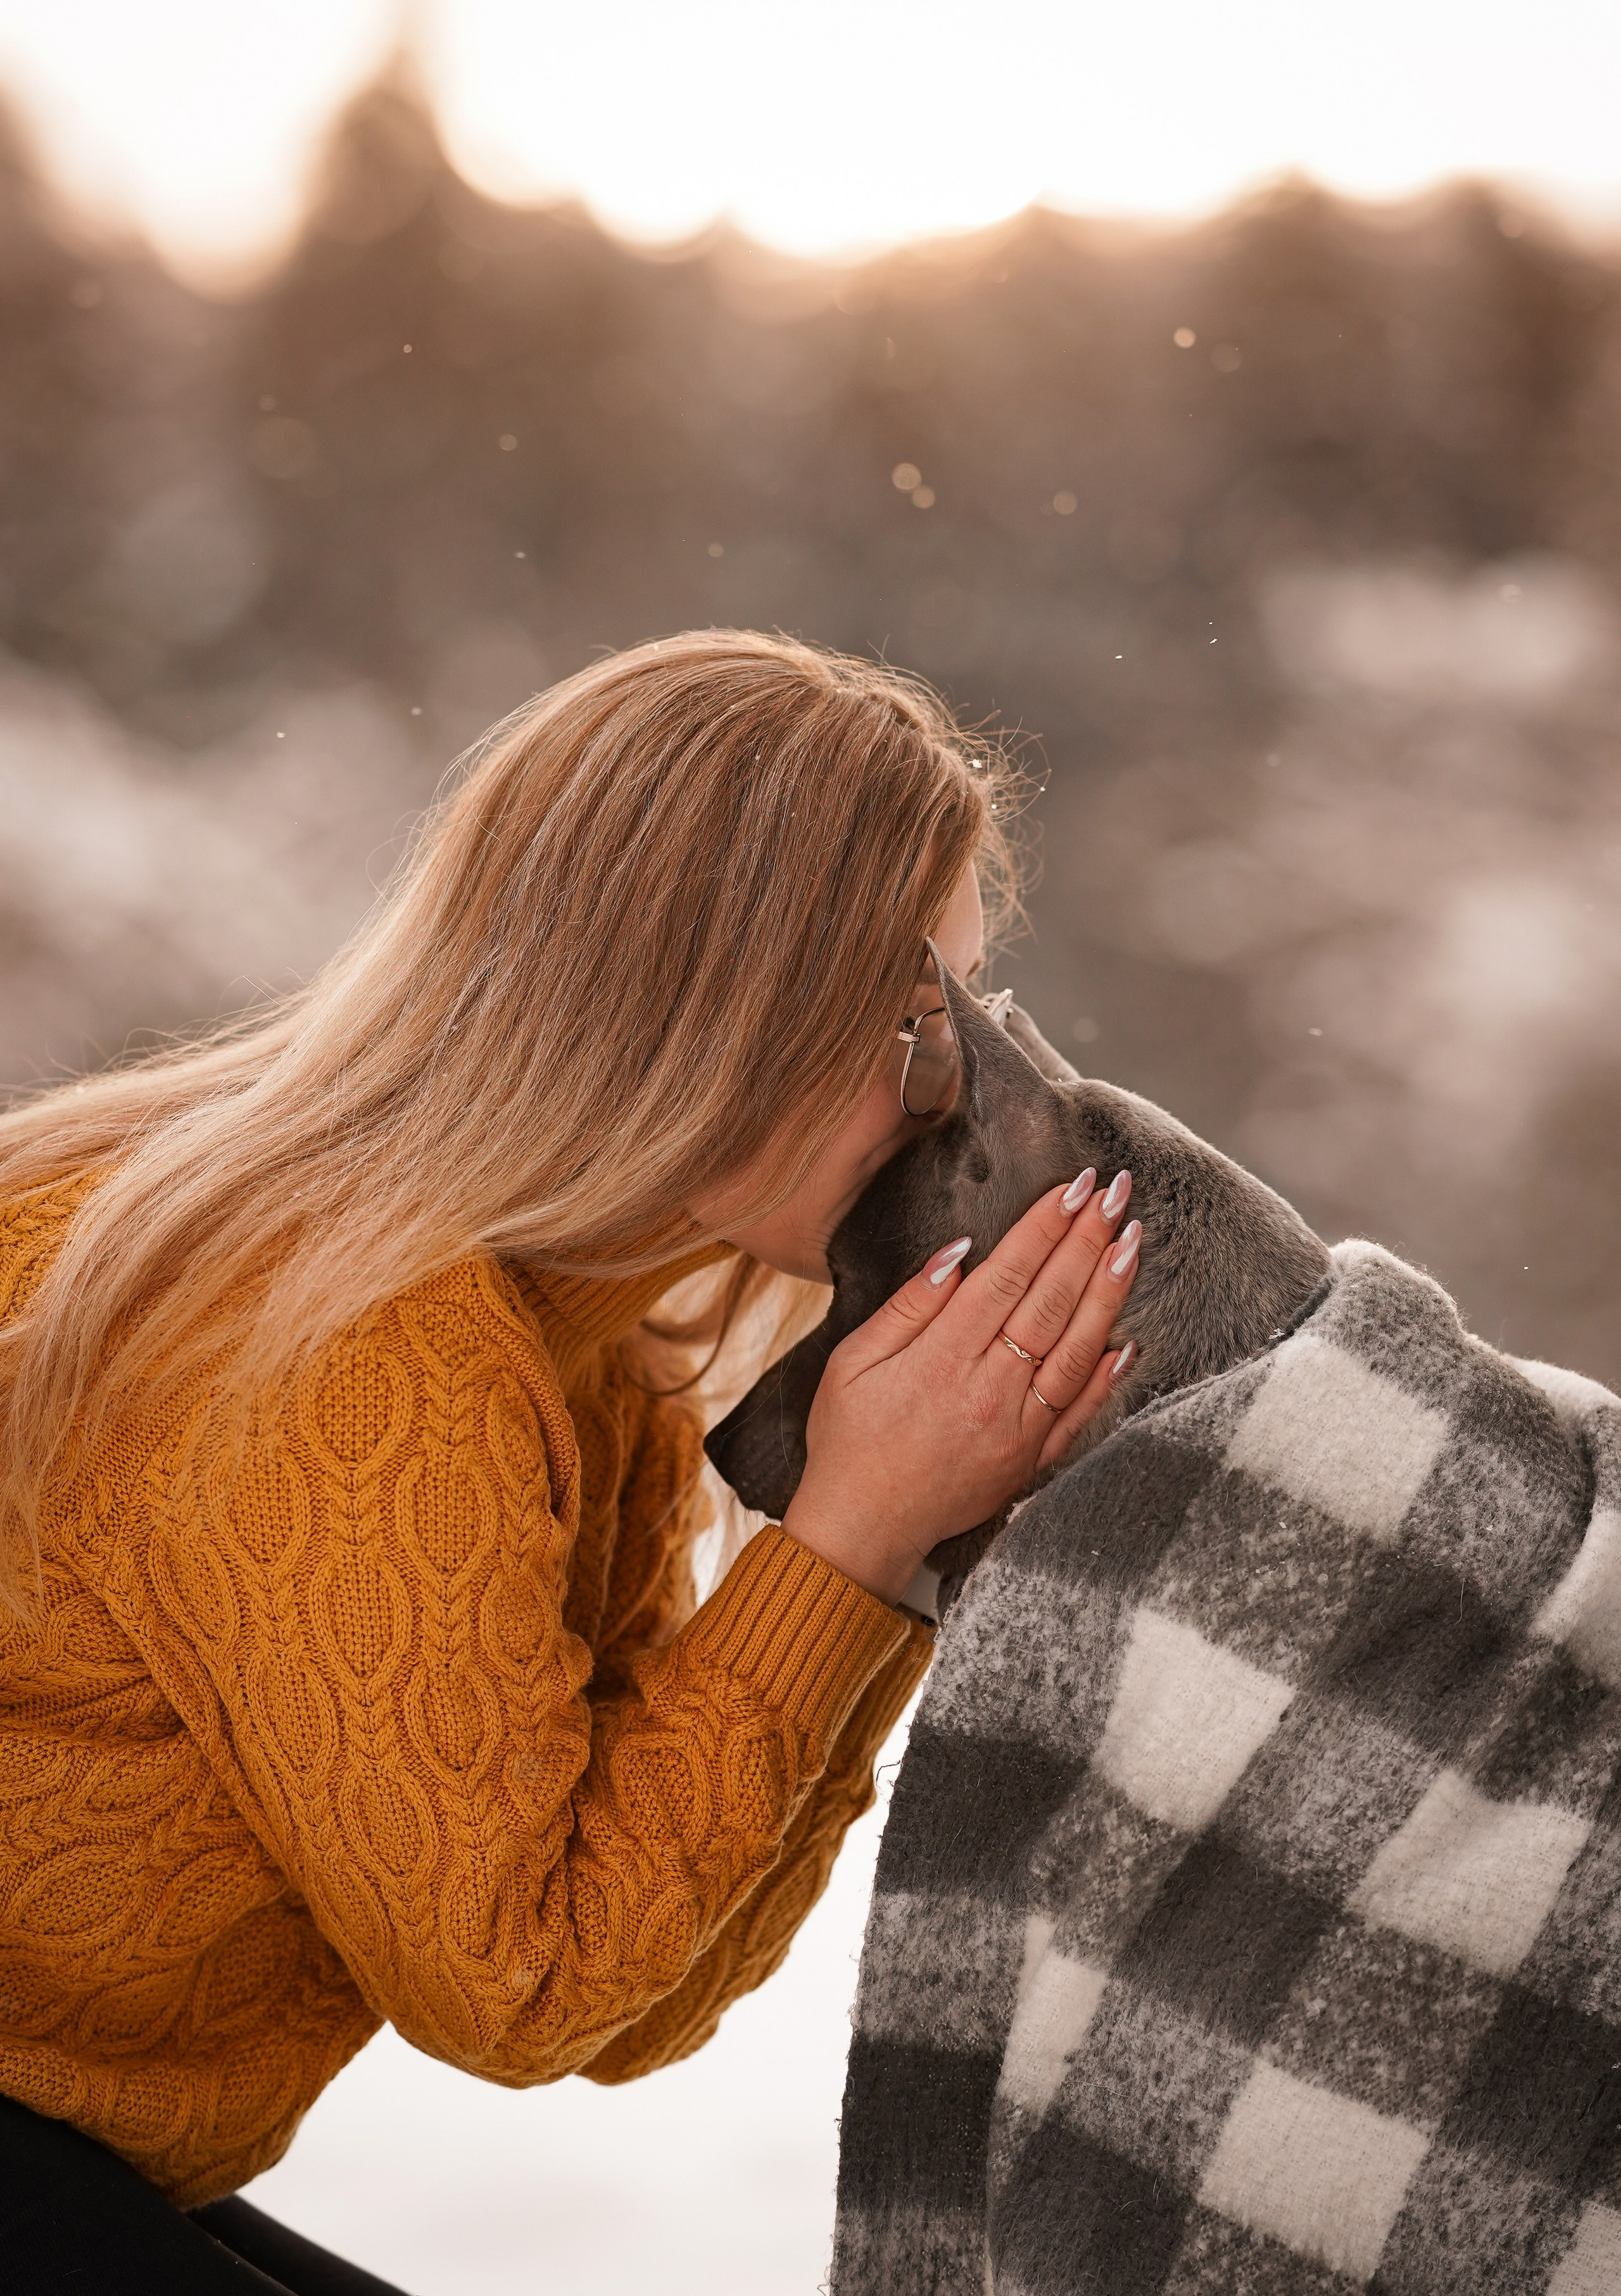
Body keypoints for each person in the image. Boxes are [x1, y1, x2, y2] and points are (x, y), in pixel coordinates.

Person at [0, 630, 1142, 2293]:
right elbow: (523, 1981)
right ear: (730, 1015)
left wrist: (875, 1553)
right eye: (923, 1019)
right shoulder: (362, 1335)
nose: (955, 1091)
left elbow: (622, 1990)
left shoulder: (577, 1348)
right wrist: (852, 1530)